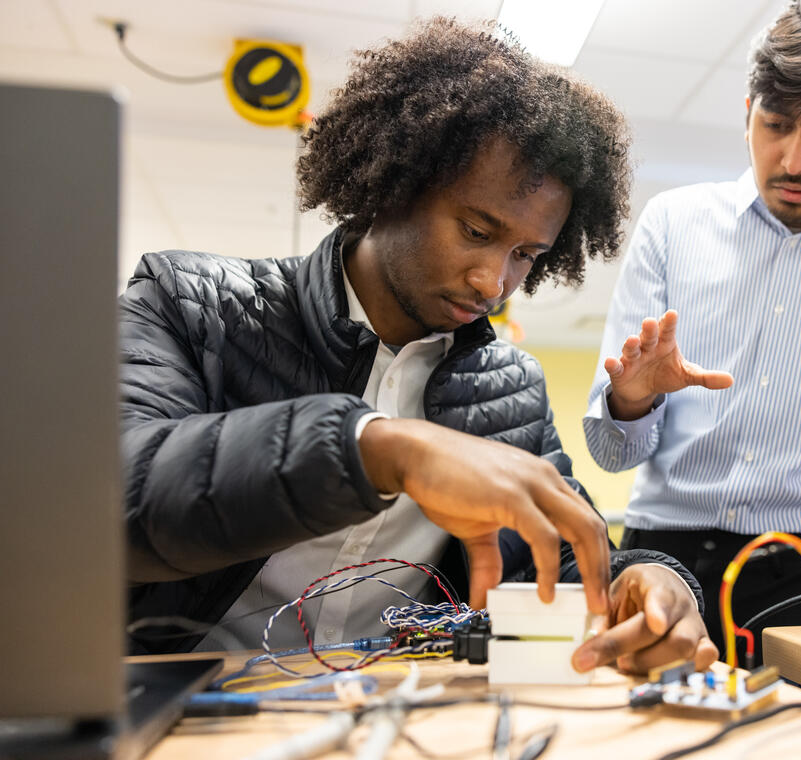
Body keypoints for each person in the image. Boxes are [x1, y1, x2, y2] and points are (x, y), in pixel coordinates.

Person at [121, 17, 717, 675]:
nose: (494, 281)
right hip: (183, 711)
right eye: (474, 230)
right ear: (393, 186)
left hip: (405, 718)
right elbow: (117, 495)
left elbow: (565, 552)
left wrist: (654, 584)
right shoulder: (190, 303)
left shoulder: (509, 386)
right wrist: (376, 448)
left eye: (525, 254)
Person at [583, 0, 801, 655]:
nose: (795, 160)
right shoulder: (672, 224)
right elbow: (612, 454)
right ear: (747, 116)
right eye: (777, 125)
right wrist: (633, 398)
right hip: (663, 555)